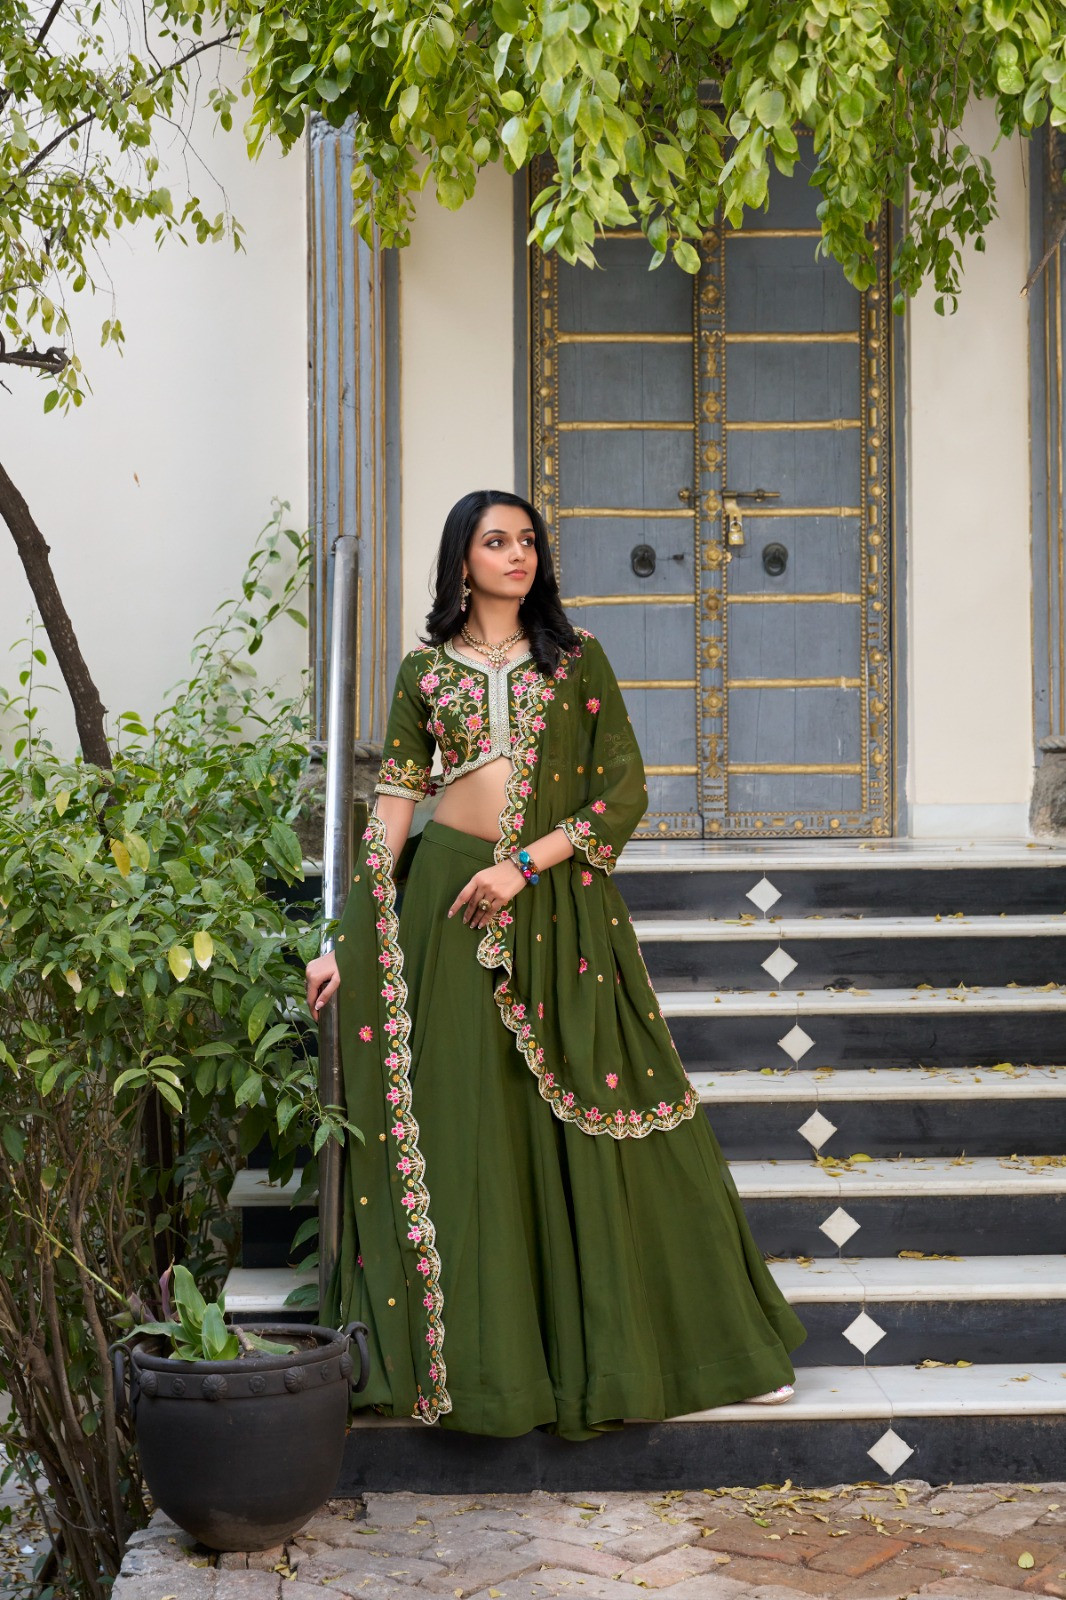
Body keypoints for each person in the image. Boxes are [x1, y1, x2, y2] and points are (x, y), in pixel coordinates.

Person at [305, 489, 807, 1440]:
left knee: (617, 1109)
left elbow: (625, 791)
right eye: (497, 542)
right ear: (462, 561)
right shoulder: (424, 674)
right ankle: (490, 1370)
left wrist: (524, 863)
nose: (518, 555)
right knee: (469, 1136)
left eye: (529, 541)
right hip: (445, 909)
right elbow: (392, 814)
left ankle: (711, 1349)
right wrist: (343, 936)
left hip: (555, 909)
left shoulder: (575, 663)